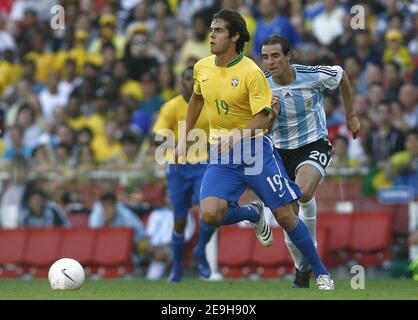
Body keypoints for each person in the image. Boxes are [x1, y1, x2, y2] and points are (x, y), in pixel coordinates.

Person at [176, 9, 334, 290]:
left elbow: (262, 117)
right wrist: (185, 136)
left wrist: (236, 136)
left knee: (286, 216)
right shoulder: (201, 67)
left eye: (219, 30)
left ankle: (321, 273)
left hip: (255, 151)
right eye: (211, 30)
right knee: (210, 213)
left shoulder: (250, 71)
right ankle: (252, 213)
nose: (212, 35)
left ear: (235, 36)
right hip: (222, 155)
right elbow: (196, 99)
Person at [261, 34, 360, 288]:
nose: (269, 62)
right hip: (279, 152)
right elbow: (261, 127)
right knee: (287, 217)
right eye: (265, 57)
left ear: (288, 57)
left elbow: (342, 76)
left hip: (312, 144)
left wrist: (350, 116)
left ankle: (307, 263)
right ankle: (302, 267)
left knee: (302, 193)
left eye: (275, 56)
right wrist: (271, 116)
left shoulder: (312, 74)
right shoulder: (261, 85)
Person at [153, 65, 216, 282]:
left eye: (195, 79)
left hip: (203, 165)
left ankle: (201, 251)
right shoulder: (171, 107)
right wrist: (180, 144)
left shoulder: (210, 105)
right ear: (182, 82)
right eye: (188, 78)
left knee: (209, 212)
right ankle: (177, 267)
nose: (191, 82)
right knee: (179, 220)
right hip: (178, 167)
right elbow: (158, 137)